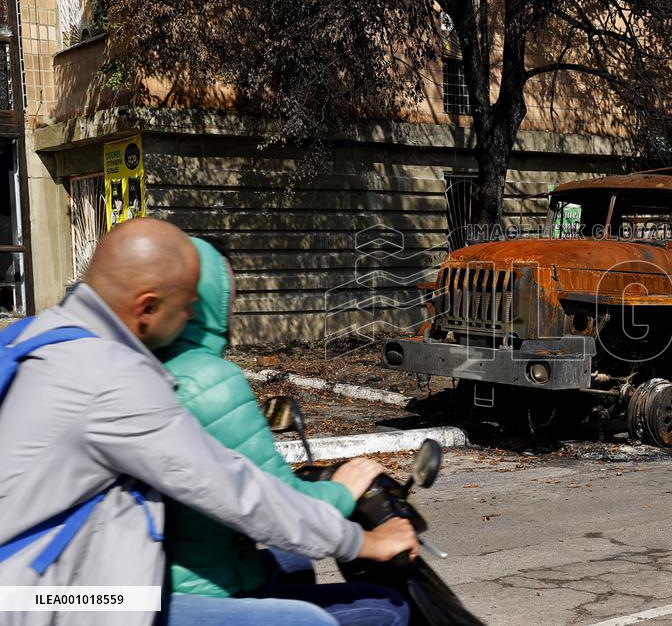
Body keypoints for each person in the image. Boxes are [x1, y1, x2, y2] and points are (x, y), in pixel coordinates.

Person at [0, 219, 418, 626]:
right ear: (146, 306)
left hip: (31, 581)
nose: (191, 316)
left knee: (286, 564)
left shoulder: (35, 335)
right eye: (186, 306)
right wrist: (366, 542)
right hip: (49, 598)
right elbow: (239, 493)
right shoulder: (112, 378)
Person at [157, 237, 408, 624]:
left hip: (150, 580)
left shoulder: (143, 367)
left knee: (292, 562)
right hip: (194, 593)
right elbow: (279, 508)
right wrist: (345, 495)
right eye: (229, 294)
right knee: (386, 608)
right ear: (206, 299)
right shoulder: (209, 379)